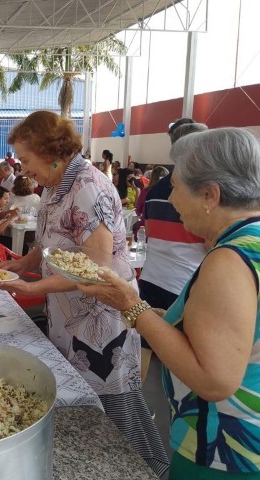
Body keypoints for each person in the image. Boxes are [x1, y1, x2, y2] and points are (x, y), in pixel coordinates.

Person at [78, 127, 260, 479]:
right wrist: (163, 318)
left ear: (210, 194)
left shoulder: (229, 260)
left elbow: (214, 380)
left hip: (223, 450)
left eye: (176, 187)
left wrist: (132, 305)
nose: (171, 199)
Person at [0, 111, 168, 475]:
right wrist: (24, 264)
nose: (23, 169)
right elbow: (51, 244)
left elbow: (95, 268)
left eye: (26, 160)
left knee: (110, 405)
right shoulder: (55, 185)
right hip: (68, 314)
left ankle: (137, 469)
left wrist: (32, 287)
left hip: (100, 319)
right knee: (81, 398)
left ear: (50, 150)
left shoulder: (87, 186)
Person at [137, 122, 208, 384]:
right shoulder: (200, 192)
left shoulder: (156, 189)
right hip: (185, 284)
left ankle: (138, 410)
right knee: (184, 360)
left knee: (144, 345)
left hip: (152, 276)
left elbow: (148, 232)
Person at [132, 165, 169, 236]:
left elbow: (138, 210)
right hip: (164, 228)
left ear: (152, 177)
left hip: (146, 227)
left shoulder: (146, 191)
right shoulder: (170, 194)